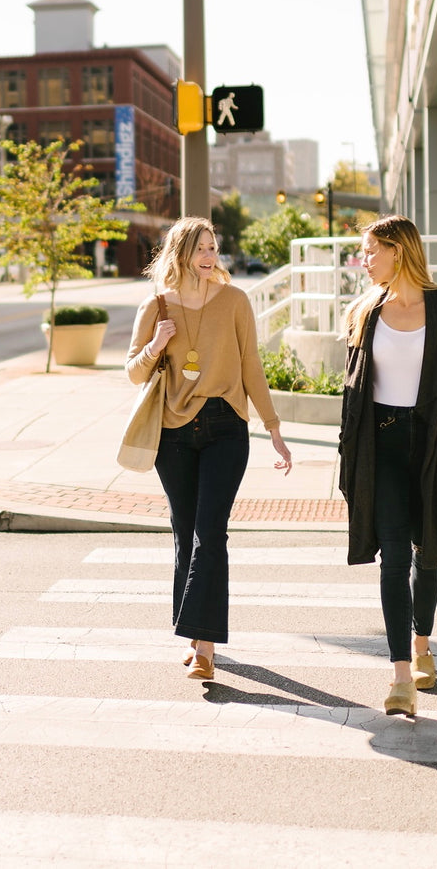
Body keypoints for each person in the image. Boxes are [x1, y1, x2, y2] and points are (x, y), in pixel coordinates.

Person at [126, 217, 292, 682]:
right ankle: (191, 629)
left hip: (224, 427)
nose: (209, 256)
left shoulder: (236, 301)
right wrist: (157, 344)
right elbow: (135, 374)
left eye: (213, 248)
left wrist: (273, 428)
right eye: (200, 248)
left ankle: (205, 646)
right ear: (180, 252)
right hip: (173, 434)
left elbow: (252, 365)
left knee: (210, 533)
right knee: (185, 533)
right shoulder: (155, 306)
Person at [338, 214, 437, 716]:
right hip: (382, 447)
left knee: (430, 552)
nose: (365, 260)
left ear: (399, 250)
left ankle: (423, 644)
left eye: (372, 250)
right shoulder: (364, 311)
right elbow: (353, 392)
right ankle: (401, 676)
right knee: (393, 556)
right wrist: (347, 454)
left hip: (436, 445)